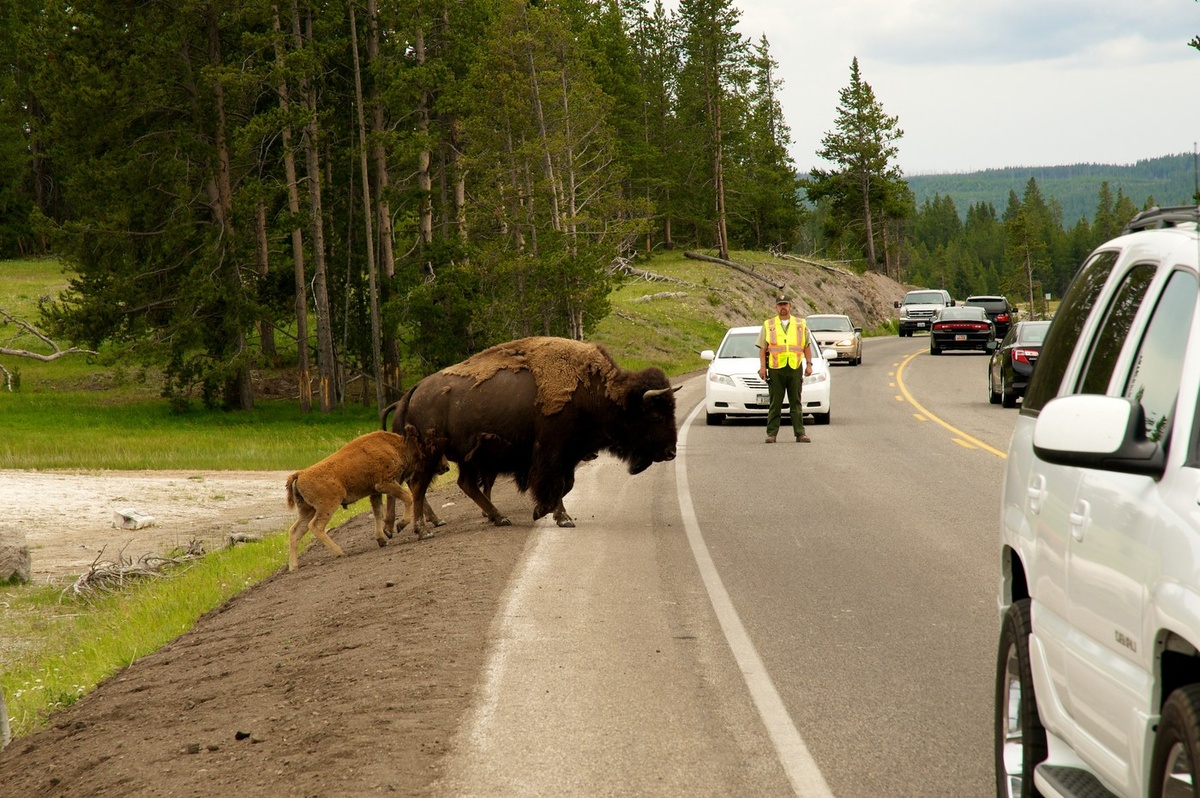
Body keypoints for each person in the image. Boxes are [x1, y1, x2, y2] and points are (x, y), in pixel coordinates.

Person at [757, 294, 813, 443]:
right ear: (776, 307)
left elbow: (806, 346)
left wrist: (809, 364)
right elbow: (763, 348)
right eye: (780, 304)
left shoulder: (800, 324)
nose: (783, 307)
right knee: (776, 403)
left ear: (790, 306)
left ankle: (800, 433)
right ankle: (771, 434)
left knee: (796, 402)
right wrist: (763, 367)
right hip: (776, 369)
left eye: (785, 304)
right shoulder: (769, 325)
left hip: (794, 367)